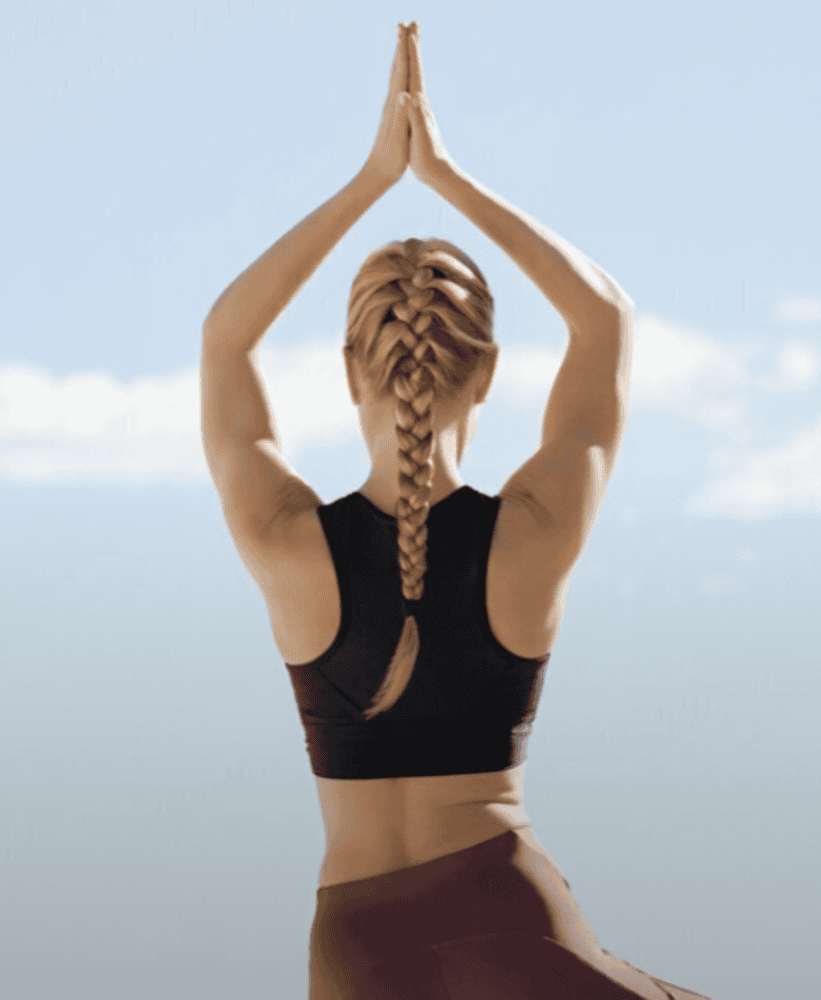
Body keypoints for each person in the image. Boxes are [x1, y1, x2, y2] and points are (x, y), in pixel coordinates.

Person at [200, 21, 714, 1000]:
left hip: (355, 951)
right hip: (507, 914)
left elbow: (225, 341)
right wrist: (440, 173)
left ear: (350, 365)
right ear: (487, 368)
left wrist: (367, 180)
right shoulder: (534, 531)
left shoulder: (284, 540)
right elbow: (604, 317)